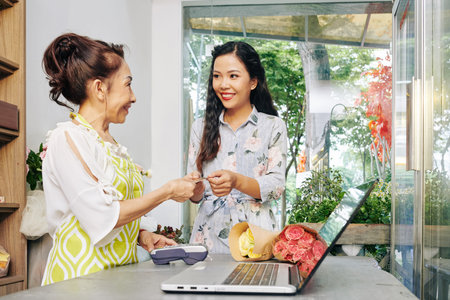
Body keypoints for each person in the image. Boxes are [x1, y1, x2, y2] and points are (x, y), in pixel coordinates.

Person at [40, 33, 197, 285]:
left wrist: (142, 235)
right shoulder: (68, 139)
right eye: (128, 84)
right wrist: (167, 192)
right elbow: (102, 217)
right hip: (78, 282)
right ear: (100, 88)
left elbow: (113, 215)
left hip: (116, 280)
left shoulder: (110, 145)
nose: (133, 97)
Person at [187, 41, 287, 253]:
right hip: (208, 237)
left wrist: (236, 181)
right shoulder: (200, 127)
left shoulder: (272, 126)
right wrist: (193, 187)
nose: (223, 84)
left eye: (233, 76)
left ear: (252, 82)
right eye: (217, 76)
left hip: (255, 236)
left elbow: (276, 186)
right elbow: (196, 195)